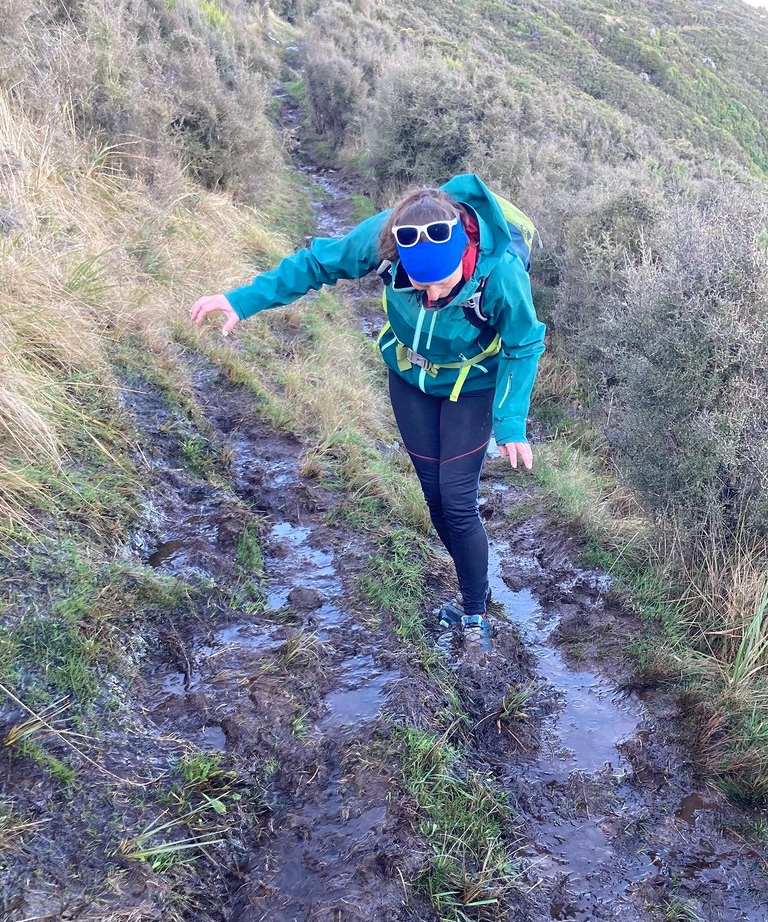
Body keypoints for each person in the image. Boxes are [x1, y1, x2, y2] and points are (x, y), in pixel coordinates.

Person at [190, 173, 546, 654]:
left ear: (463, 250)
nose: (434, 296)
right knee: (434, 498)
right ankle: (473, 593)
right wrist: (241, 299)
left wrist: (510, 422)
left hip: (473, 385)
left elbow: (524, 342)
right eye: (421, 286)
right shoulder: (385, 237)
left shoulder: (500, 272)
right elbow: (317, 263)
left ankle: (474, 615)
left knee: (457, 501)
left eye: (444, 284)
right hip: (409, 376)